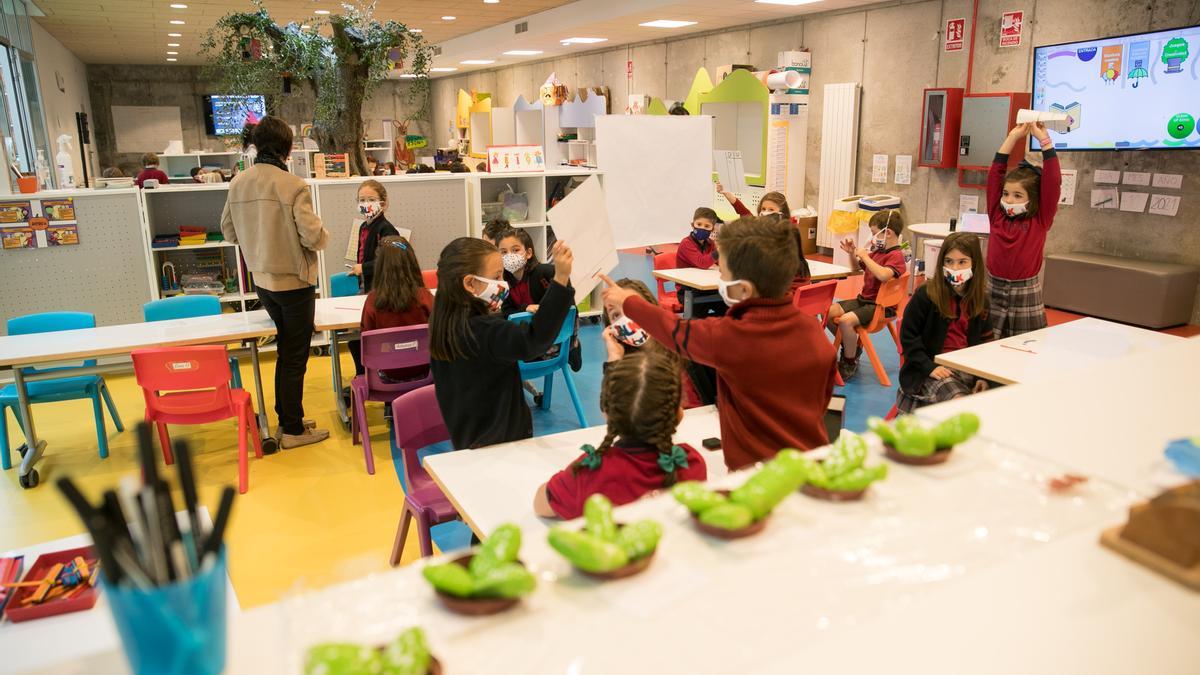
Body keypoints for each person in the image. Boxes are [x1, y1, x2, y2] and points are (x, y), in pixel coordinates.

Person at [601, 215, 836, 471]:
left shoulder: (731, 337)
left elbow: (674, 331)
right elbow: (823, 399)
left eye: (722, 273)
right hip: (814, 463)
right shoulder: (814, 331)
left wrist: (627, 302)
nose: (719, 278)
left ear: (742, 289)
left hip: (755, 474)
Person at [220, 115, 330, 449]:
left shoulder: (238, 181)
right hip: (295, 283)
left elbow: (227, 230)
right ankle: (293, 430)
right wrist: (323, 235)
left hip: (263, 283)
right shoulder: (293, 185)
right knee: (294, 356)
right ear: (288, 147)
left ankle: (288, 419)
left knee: (285, 351)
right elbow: (314, 237)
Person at [430, 237, 575, 449]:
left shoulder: (444, 322)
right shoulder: (486, 331)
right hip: (500, 444)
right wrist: (561, 278)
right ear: (470, 283)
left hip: (468, 440)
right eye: (496, 276)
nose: (503, 283)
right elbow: (535, 340)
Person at [533, 351, 707, 519]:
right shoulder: (691, 463)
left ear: (605, 413)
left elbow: (540, 504)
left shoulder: (589, 473)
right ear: (678, 414)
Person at [897, 232, 994, 413]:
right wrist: (929, 367)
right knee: (959, 401)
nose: (955, 268)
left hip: (967, 368)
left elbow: (986, 343)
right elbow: (908, 337)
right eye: (948, 261)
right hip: (928, 370)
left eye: (962, 262)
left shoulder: (981, 300)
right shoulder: (926, 294)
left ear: (975, 264)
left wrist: (984, 377)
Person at [988, 122, 1062, 338]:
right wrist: (1012, 138)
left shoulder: (1040, 219)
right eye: (1006, 194)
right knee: (984, 346)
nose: (1009, 200)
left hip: (1025, 291)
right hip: (993, 287)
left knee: (1027, 345)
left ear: (1033, 199)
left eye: (1017, 196)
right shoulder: (996, 215)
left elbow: (1053, 181)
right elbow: (995, 175)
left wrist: (1045, 142)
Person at [600, 278, 705, 409]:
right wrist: (614, 360)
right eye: (616, 315)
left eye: (630, 307)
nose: (626, 319)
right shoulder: (624, 367)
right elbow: (613, 413)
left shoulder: (683, 343)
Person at [827, 210, 906, 380]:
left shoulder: (896, 256)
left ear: (888, 233)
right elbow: (857, 268)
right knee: (829, 311)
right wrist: (852, 254)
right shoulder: (877, 253)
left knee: (846, 321)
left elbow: (884, 275)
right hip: (864, 301)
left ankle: (849, 361)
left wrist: (864, 255)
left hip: (881, 308)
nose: (871, 237)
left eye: (873, 233)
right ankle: (851, 347)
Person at [359, 236, 434, 383]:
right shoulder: (425, 297)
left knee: (354, 343)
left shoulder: (373, 301)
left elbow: (366, 339)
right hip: (425, 372)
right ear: (412, 263)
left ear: (379, 266)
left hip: (387, 376)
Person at [498, 227, 558, 316]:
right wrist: (525, 308)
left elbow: (564, 301)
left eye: (515, 250)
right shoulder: (503, 283)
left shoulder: (546, 272)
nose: (509, 255)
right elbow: (506, 311)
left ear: (528, 253)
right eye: (504, 252)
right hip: (527, 327)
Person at [715, 185, 791, 220]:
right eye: (763, 209)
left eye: (771, 210)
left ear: (782, 214)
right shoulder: (756, 225)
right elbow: (742, 210)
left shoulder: (788, 234)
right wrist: (725, 192)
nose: (765, 212)